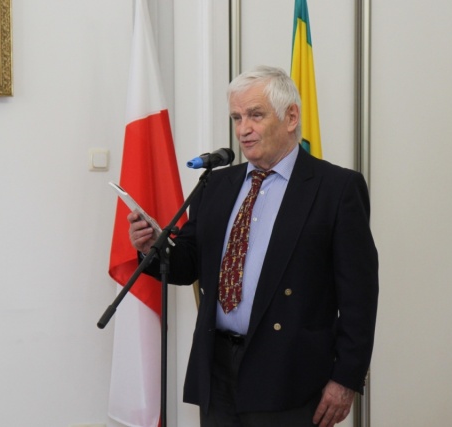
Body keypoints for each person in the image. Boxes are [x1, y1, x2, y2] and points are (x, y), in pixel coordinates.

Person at [128, 65, 379, 427]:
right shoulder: (215, 185)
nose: (242, 129)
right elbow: (187, 264)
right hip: (217, 370)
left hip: (291, 375)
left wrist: (346, 378)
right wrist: (153, 245)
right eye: (236, 117)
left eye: (255, 115)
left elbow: (359, 295)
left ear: (291, 117)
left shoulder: (336, 188)